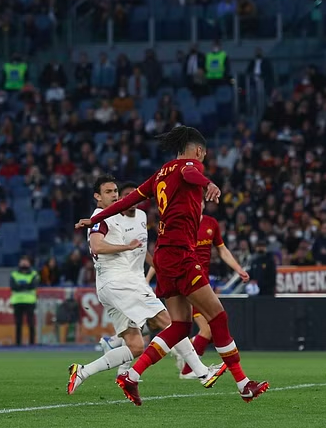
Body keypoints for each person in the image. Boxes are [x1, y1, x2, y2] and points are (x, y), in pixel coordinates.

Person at [76, 127, 269, 405]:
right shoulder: (190, 166)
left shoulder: (161, 173)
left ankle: (131, 375)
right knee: (218, 317)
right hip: (180, 253)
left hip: (165, 253)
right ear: (198, 151)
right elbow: (191, 173)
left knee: (179, 325)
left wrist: (93, 220)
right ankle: (243, 384)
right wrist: (208, 183)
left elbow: (128, 201)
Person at [68, 177, 225, 394]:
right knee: (172, 323)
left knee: (135, 346)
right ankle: (203, 373)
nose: (114, 195)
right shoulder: (101, 218)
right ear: (97, 196)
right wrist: (126, 246)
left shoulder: (117, 217)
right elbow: (97, 245)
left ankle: (82, 372)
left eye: (115, 191)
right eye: (108, 192)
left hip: (109, 284)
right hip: (121, 281)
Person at [148, 200, 250, 379]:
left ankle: (188, 358)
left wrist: (238, 269)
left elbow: (223, 250)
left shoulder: (211, 224)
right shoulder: (180, 222)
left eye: (200, 200)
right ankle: (189, 370)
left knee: (199, 329)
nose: (197, 202)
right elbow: (163, 253)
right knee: (207, 329)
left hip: (202, 284)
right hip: (186, 281)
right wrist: (148, 279)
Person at [10, 255, 38, 345]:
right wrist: (26, 285)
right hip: (17, 301)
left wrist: (21, 285)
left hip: (30, 301)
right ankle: (18, 343)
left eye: (26, 261)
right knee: (18, 324)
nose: (24, 263)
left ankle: (32, 343)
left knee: (31, 323)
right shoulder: (14, 274)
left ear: (29, 263)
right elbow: (13, 287)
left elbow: (33, 285)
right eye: (22, 261)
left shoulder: (34, 274)